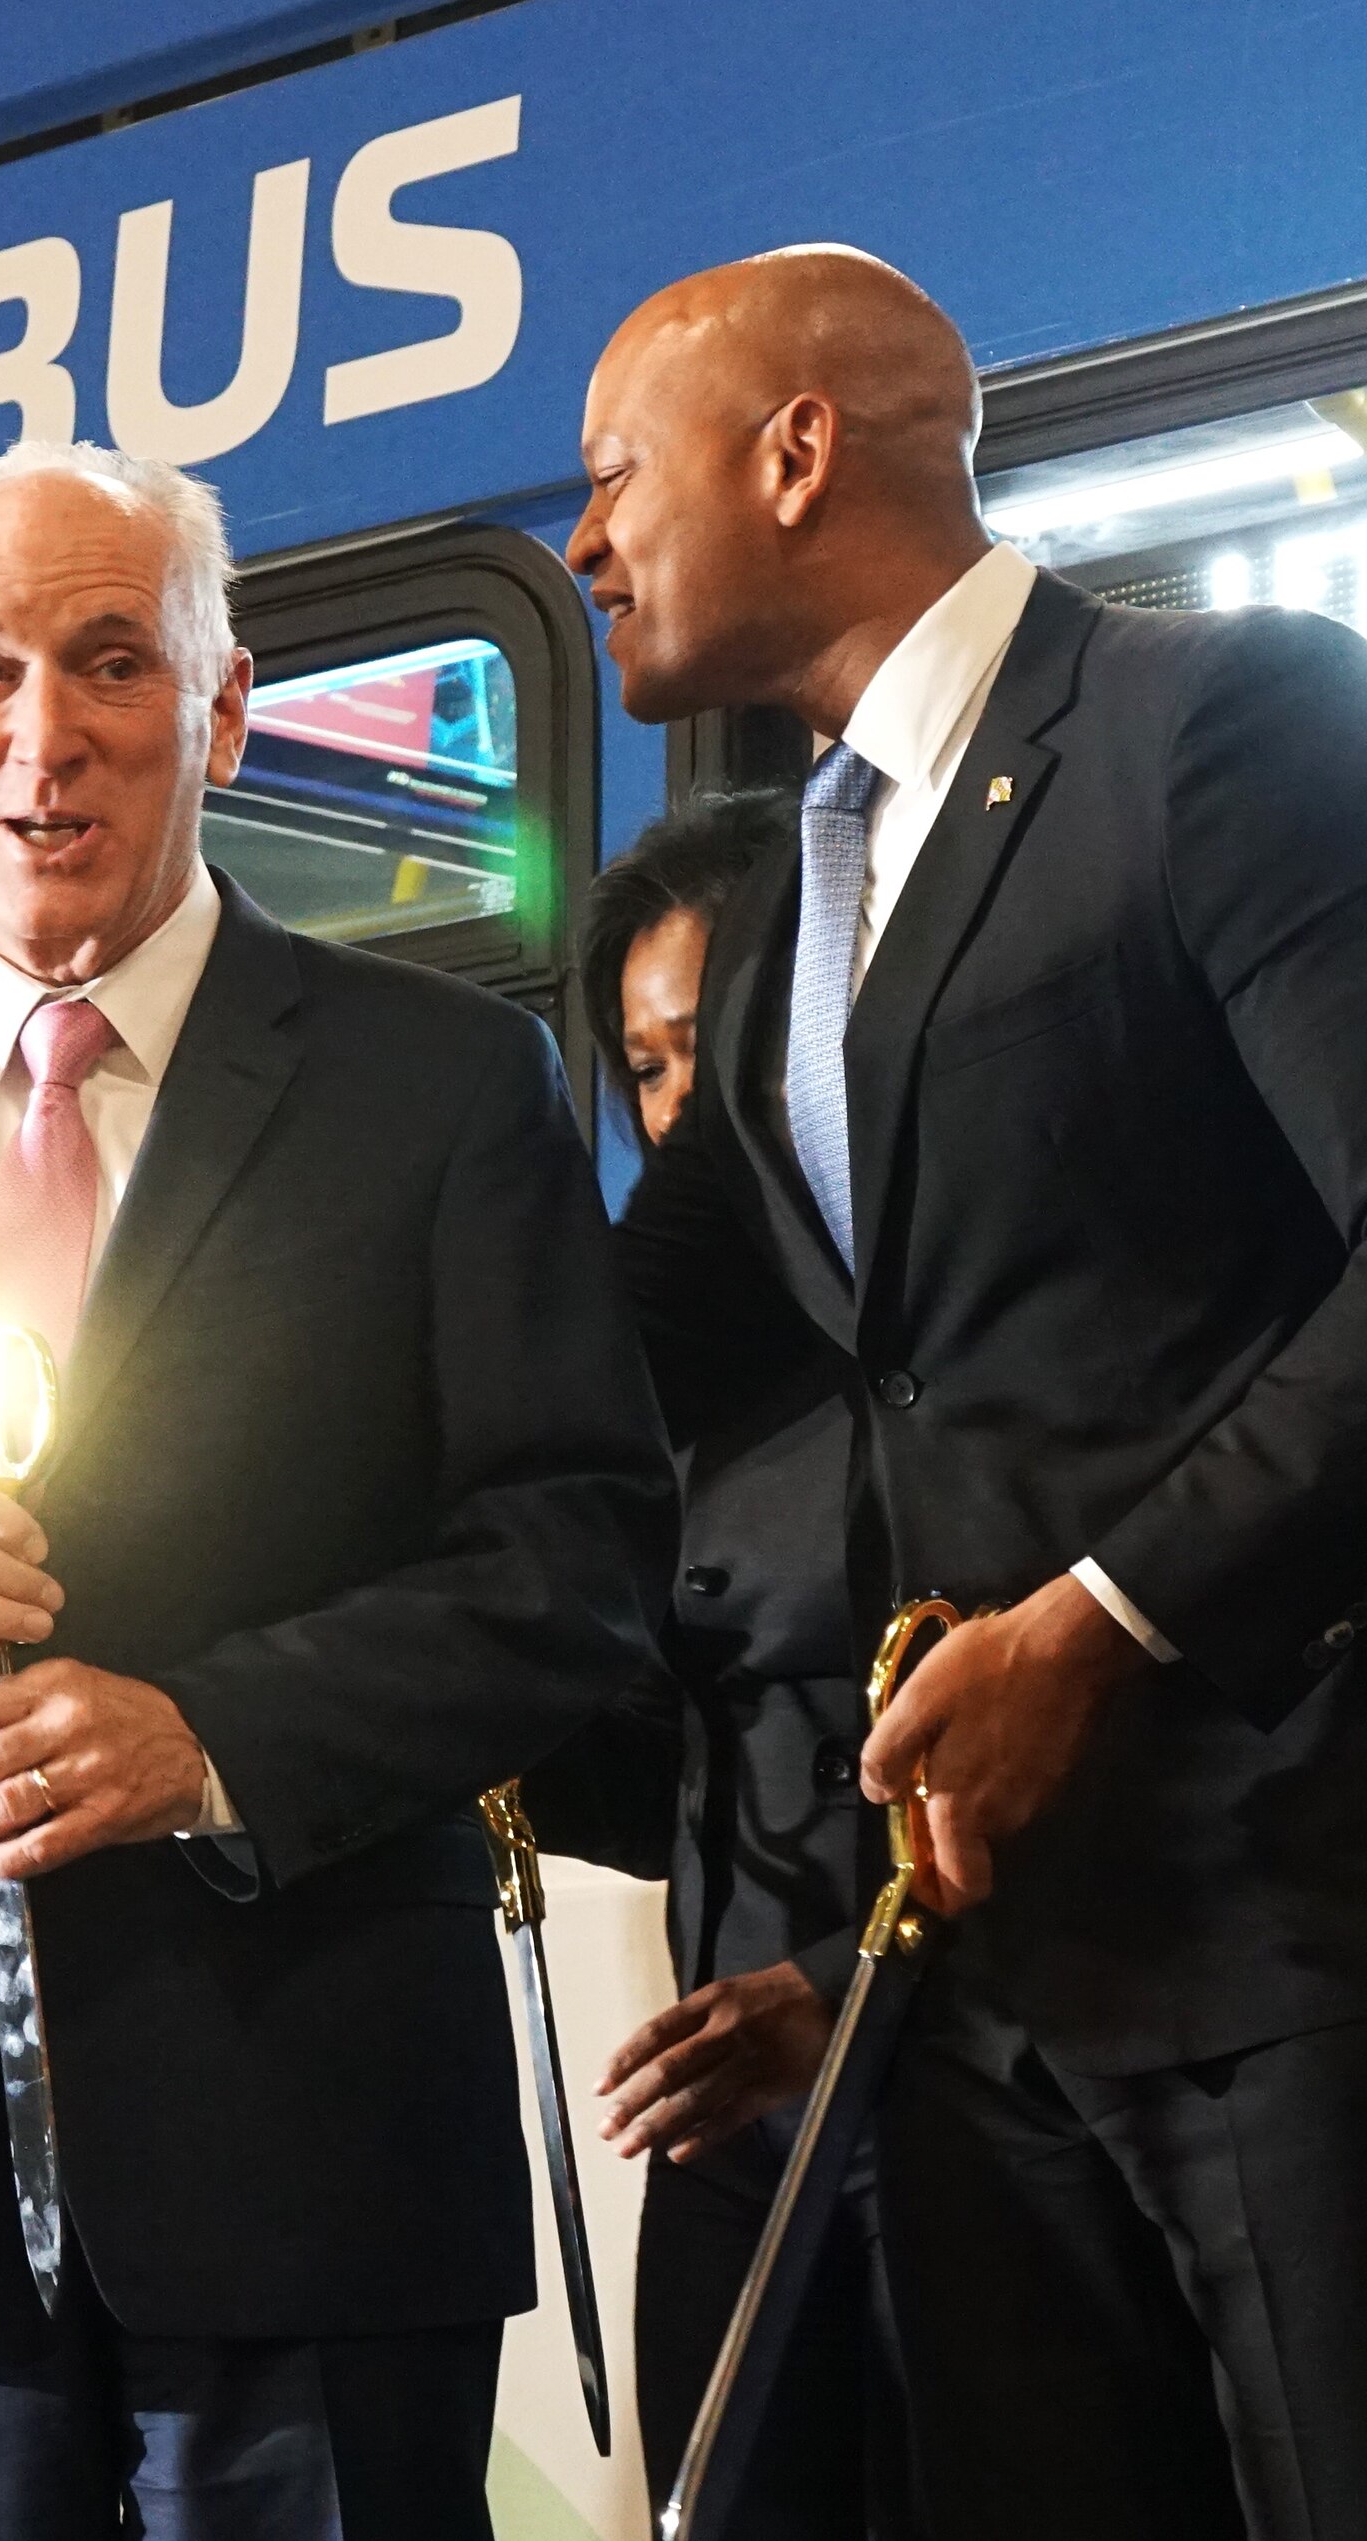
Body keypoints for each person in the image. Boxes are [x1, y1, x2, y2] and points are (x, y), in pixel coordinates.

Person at [579, 248, 1367, 2540]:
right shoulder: (793, 897)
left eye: (611, 480)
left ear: (796, 453)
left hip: (1341, 1910)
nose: (584, 544)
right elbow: (613, 1354)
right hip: (991, 1970)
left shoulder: (1227, 722)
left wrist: (1099, 1619)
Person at [0, 439, 668, 2539]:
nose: (38, 740)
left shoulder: (436, 1087)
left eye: (107, 666)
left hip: (313, 2131)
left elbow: (578, 1558)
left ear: (223, 708)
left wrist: (211, 1737)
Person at [522, 787, 923, 2537]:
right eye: (653, 1072)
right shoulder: (671, 1381)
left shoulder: (956, 1344)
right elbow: (661, 1758)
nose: (690, 1120)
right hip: (741, 2132)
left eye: (728, 1049)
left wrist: (839, 1983)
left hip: (949, 2087)